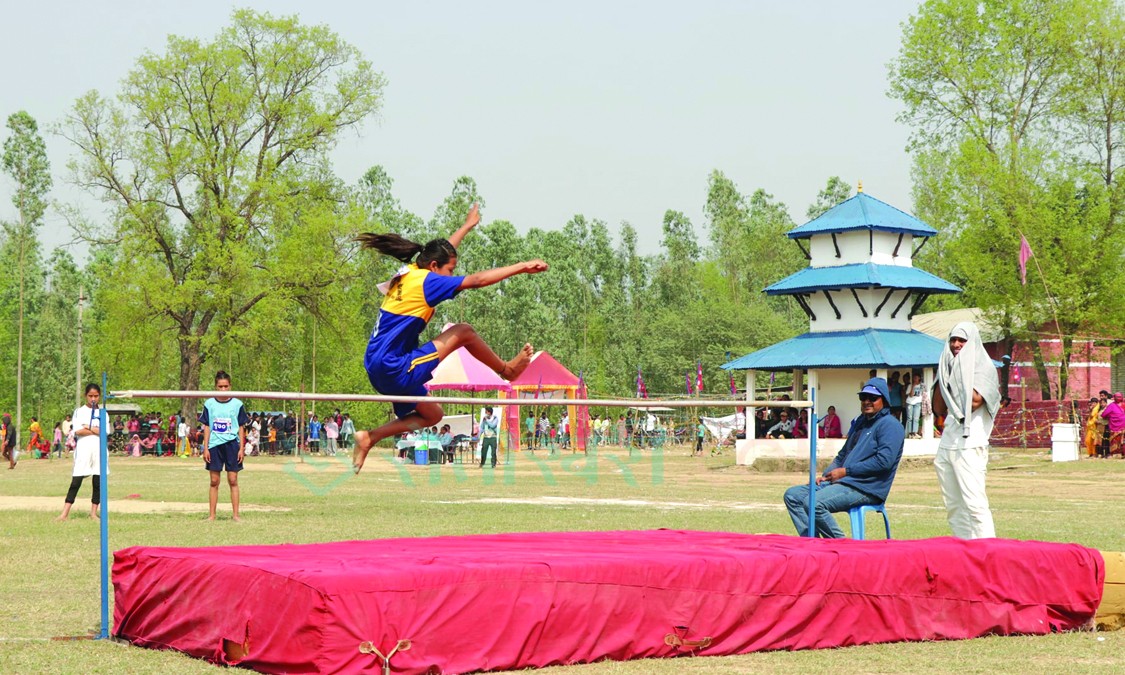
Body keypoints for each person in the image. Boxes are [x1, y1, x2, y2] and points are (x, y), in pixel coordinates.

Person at [350, 203, 547, 473]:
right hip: (392, 366)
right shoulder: (428, 281)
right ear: (434, 266)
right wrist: (522, 266)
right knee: (464, 331)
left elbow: (441, 254)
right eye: (451, 270)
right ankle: (507, 370)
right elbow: (476, 280)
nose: (452, 277)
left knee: (433, 415)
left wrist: (465, 228)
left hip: (376, 364)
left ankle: (369, 438)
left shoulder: (412, 273)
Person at [783, 377, 905, 538]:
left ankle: (843, 547)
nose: (867, 401)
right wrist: (826, 475)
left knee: (814, 503)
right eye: (863, 397)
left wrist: (846, 471)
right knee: (793, 495)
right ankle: (812, 543)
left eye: (873, 398)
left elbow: (884, 462)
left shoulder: (890, 425)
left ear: (884, 400)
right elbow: (842, 455)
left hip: (866, 487)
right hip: (845, 481)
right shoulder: (861, 422)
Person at [932, 322, 1001, 539]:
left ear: (972, 342)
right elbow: (938, 408)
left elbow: (973, 402)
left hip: (970, 444)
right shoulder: (947, 367)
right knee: (953, 505)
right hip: (948, 443)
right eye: (953, 340)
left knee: (974, 504)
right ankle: (964, 551)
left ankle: (988, 554)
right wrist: (943, 373)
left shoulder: (984, 367)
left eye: (962, 340)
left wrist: (957, 372)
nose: (956, 344)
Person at [201, 371, 248, 521]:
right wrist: (206, 447)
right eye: (220, 387)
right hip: (214, 445)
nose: (223, 389)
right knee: (214, 481)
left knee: (233, 479)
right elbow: (207, 426)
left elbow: (241, 427)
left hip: (232, 445)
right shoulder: (209, 404)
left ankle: (235, 515)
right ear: (215, 387)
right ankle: (212, 515)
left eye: (226, 386)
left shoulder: (237, 404)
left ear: (230, 386)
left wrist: (241, 448)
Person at [57, 383, 106, 521]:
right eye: (90, 396)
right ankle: (64, 513)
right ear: (86, 396)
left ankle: (93, 513)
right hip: (83, 450)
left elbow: (104, 431)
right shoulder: (79, 411)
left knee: (97, 482)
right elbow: (78, 430)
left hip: (99, 451)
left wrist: (88, 426)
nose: (93, 399)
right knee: (76, 480)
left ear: (99, 396)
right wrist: (94, 429)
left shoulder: (103, 412)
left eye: (96, 396)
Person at [1101, 392, 1125, 458]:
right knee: (1115, 440)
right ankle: (1115, 454)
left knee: (1121, 440)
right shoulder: (1112, 405)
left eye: (1119, 397)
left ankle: (1121, 454)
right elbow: (1104, 414)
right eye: (1117, 397)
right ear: (1114, 397)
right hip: (1114, 426)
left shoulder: (1123, 405)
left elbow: (1104, 415)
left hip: (1122, 426)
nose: (1118, 398)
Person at [905, 373, 924, 438]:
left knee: (916, 418)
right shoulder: (910, 385)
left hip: (918, 402)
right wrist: (913, 386)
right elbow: (910, 395)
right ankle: (910, 433)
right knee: (910, 418)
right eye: (914, 378)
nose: (915, 379)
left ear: (919, 378)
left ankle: (915, 432)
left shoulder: (922, 386)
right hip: (910, 402)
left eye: (916, 377)